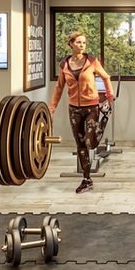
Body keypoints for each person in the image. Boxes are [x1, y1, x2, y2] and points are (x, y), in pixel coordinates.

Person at [49, 31, 114, 194]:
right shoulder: (64, 65)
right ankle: (87, 179)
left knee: (90, 143)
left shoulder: (92, 61)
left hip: (91, 107)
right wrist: (51, 109)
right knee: (80, 145)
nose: (82, 45)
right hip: (74, 109)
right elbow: (59, 88)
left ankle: (104, 119)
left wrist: (110, 97)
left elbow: (106, 77)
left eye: (84, 43)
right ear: (71, 44)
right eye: (78, 42)